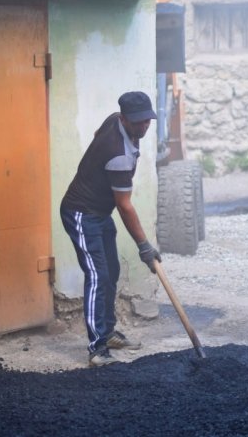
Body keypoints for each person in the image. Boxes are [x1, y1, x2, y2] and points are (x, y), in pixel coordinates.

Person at [60, 91, 162, 367]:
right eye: (138, 122)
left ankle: (108, 332)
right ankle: (97, 349)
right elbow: (126, 207)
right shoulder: (119, 156)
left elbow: (96, 134)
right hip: (80, 213)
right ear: (124, 118)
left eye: (147, 121)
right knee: (97, 275)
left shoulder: (111, 121)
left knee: (111, 272)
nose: (144, 127)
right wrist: (144, 247)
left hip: (99, 212)